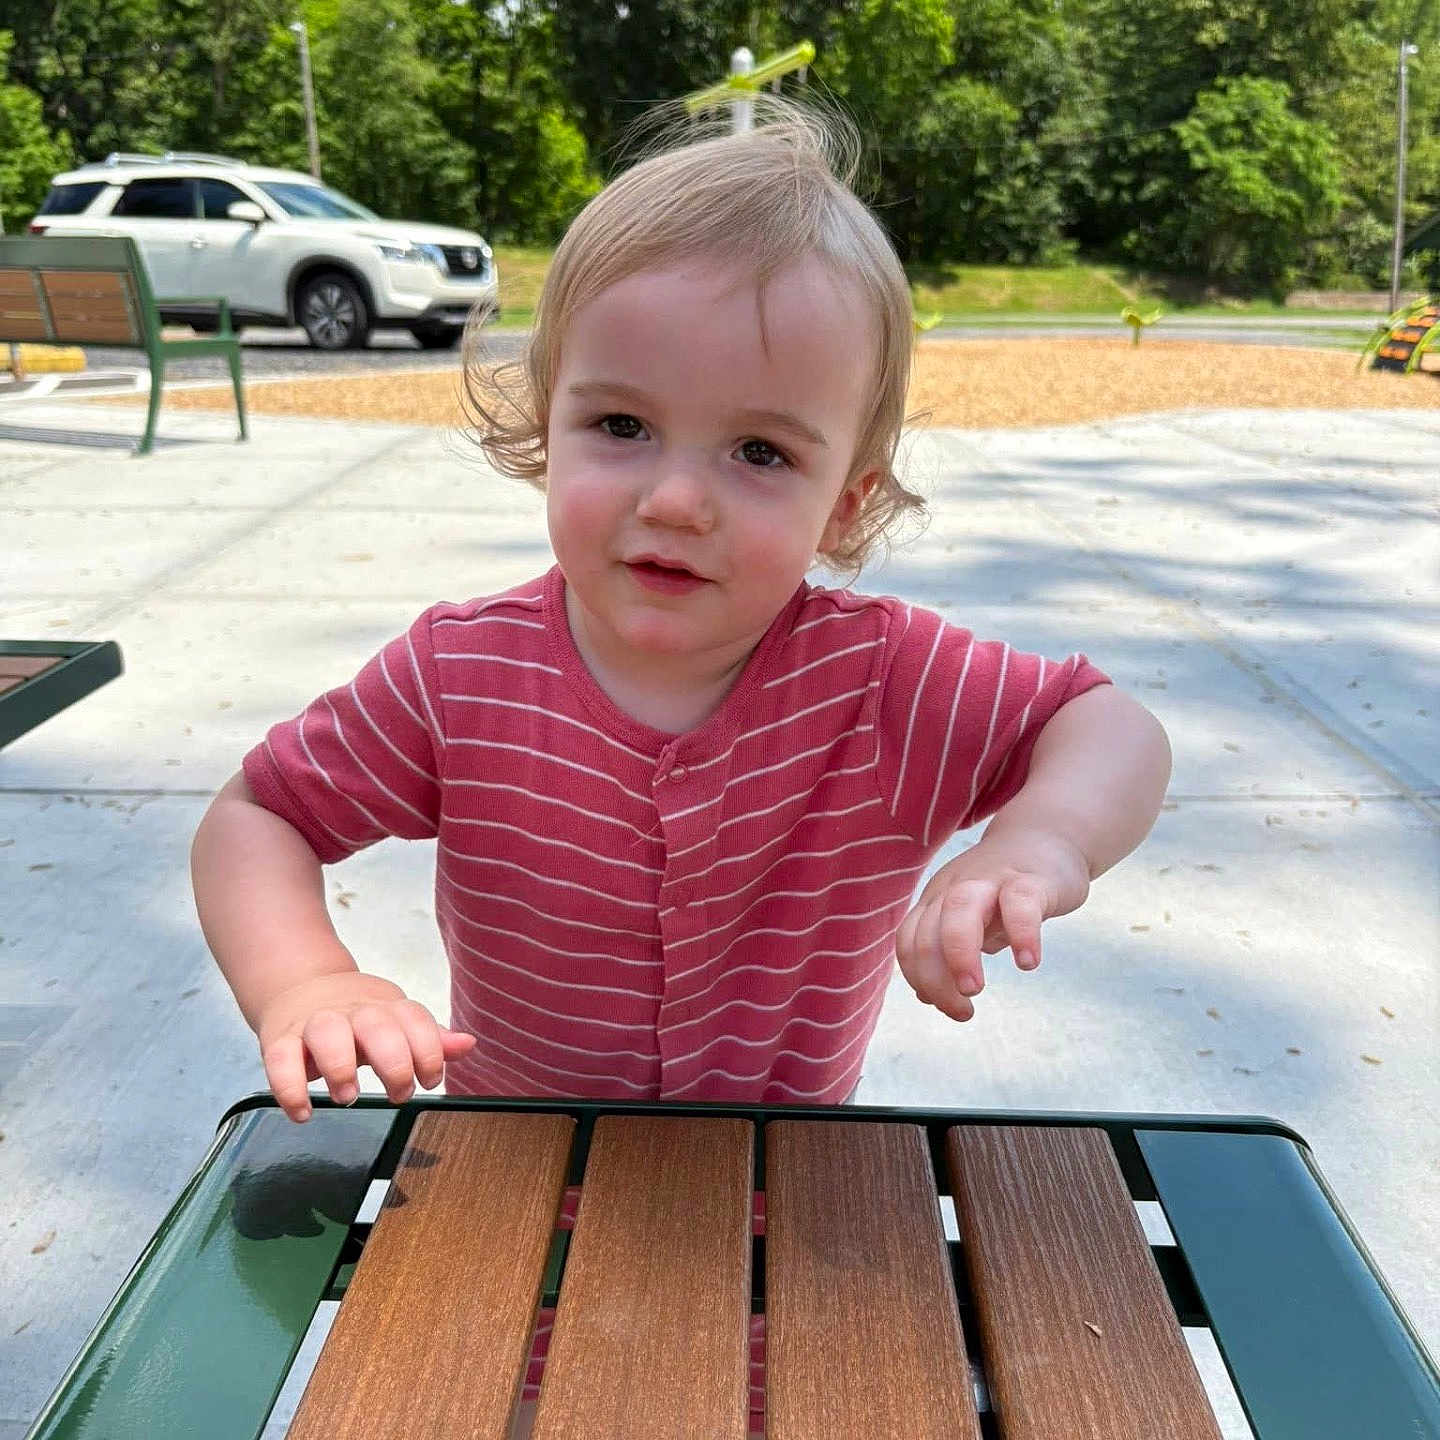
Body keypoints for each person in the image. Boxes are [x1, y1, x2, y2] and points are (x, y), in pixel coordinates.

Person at [191, 101, 1171, 1125]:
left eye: (760, 452)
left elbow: (1106, 724)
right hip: (508, 1166)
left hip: (781, 1179)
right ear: (548, 425)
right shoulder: (460, 675)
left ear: (845, 502)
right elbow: (258, 816)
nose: (675, 501)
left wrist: (1040, 843)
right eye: (622, 424)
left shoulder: (886, 682)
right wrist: (307, 981)